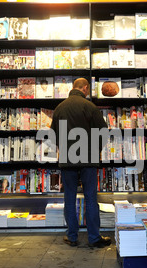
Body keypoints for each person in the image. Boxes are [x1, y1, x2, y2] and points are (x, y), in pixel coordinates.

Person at [50, 78, 111, 248]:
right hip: (88, 159)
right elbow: (104, 132)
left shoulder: (60, 108)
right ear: (85, 88)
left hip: (67, 159)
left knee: (69, 197)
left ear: (73, 88)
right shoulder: (89, 107)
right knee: (91, 198)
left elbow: (53, 135)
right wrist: (95, 149)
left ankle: (72, 236)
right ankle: (94, 238)